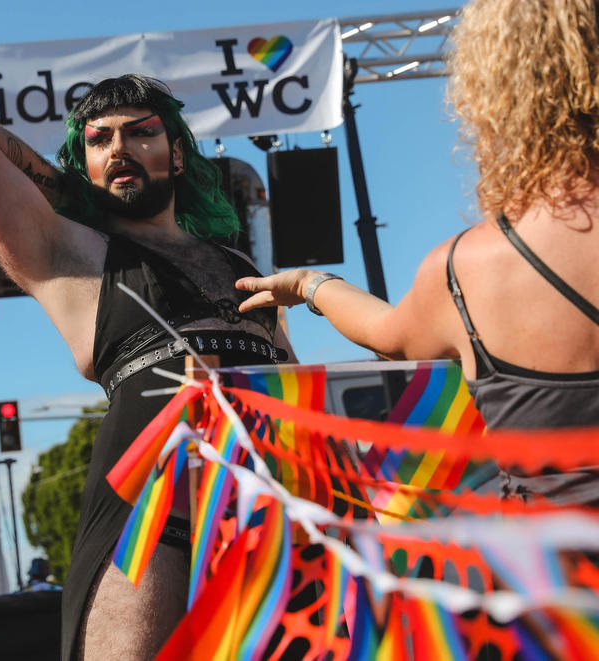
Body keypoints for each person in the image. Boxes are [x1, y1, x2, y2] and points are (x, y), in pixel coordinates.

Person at [0, 75, 294, 660]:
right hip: (149, 516)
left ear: (177, 155)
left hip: (265, 510)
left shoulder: (239, 261)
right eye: (99, 141)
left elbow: (294, 383)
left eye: (139, 134)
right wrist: (74, 185)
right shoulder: (72, 254)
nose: (118, 149)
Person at [236, 0, 599, 502]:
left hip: (553, 574)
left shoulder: (467, 271)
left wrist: (307, 284)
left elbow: (390, 335)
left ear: (499, 90)